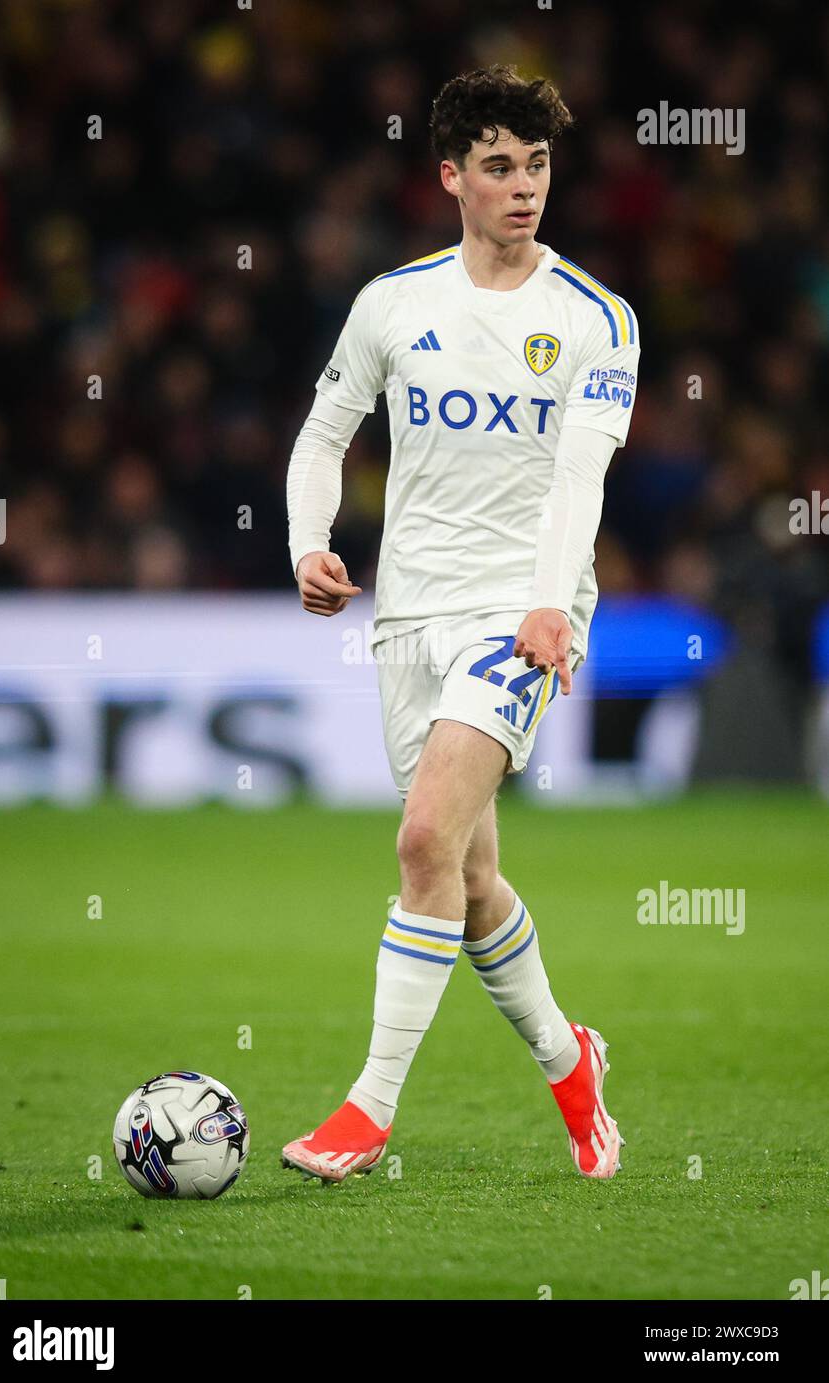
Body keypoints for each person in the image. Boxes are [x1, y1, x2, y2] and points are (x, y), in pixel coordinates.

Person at [283, 63, 639, 1182]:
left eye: (536, 165)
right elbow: (320, 435)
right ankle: (567, 1062)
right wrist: (307, 541)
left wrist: (548, 602)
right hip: (411, 613)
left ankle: (367, 1108)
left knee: (421, 841)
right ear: (451, 177)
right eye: (498, 166)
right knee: (470, 879)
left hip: (520, 610)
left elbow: (578, 480)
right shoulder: (394, 304)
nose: (523, 186)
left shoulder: (594, 319)